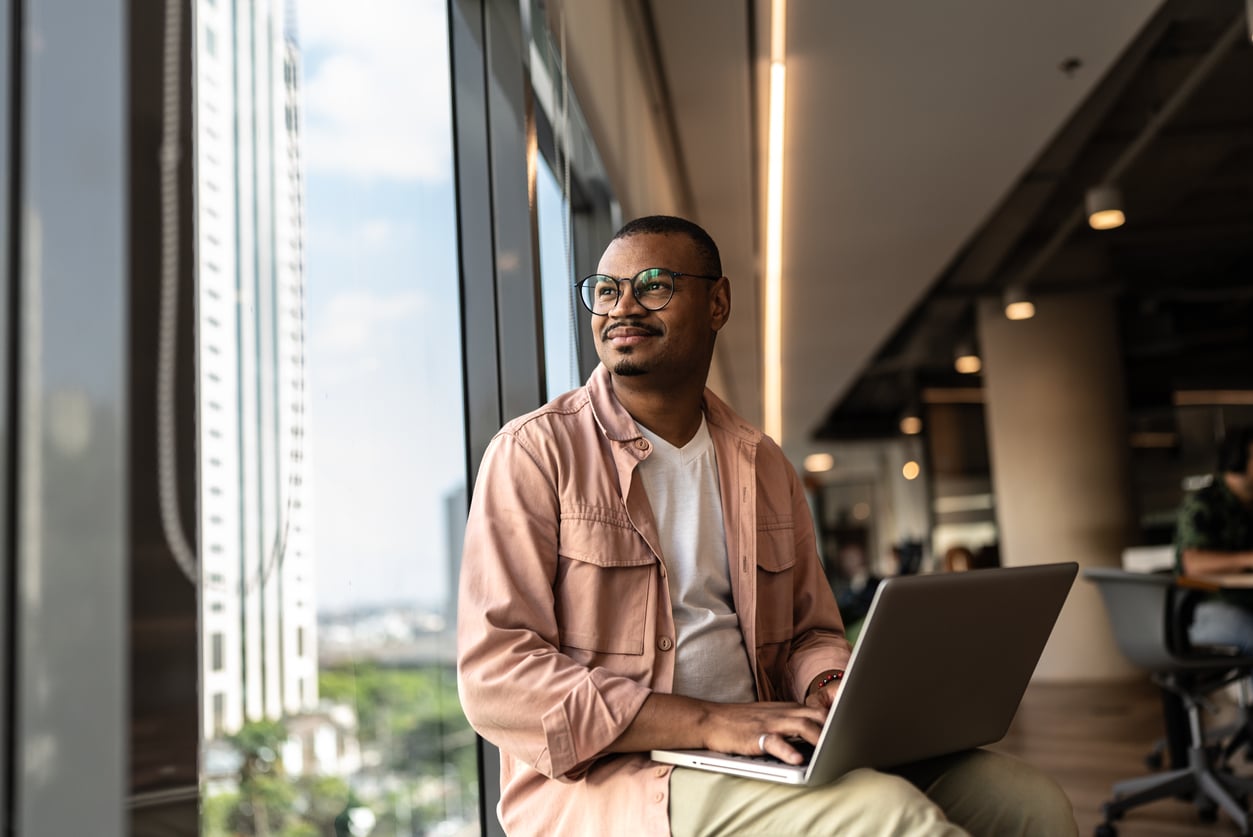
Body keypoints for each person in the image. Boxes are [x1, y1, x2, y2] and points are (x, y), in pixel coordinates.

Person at [457, 216, 1076, 836]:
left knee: (1028, 803)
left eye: (653, 286)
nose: (623, 308)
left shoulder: (764, 462)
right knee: (894, 821)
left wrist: (830, 685)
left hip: (768, 743)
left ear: (717, 301)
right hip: (622, 776)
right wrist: (707, 722)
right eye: (607, 290)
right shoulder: (535, 453)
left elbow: (811, 632)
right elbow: (496, 677)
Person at [1175, 426, 1253, 653]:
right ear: (1237, 460)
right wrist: (1247, 559)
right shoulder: (1204, 504)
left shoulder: (1248, 507)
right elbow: (1193, 564)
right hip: (1207, 608)